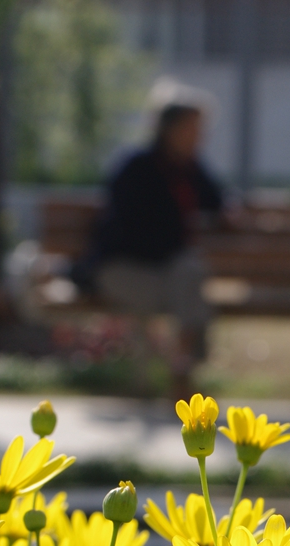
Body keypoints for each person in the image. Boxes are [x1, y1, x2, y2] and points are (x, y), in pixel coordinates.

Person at [72, 78, 224, 397]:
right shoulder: (136, 167)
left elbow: (218, 202)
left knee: (190, 272)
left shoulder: (191, 169)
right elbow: (127, 231)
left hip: (167, 274)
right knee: (188, 289)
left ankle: (180, 368)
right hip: (122, 267)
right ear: (170, 128)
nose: (200, 135)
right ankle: (179, 368)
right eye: (193, 127)